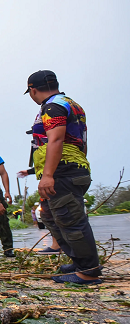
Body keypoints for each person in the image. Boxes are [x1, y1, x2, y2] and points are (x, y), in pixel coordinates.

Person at [25, 70, 102, 284]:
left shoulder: (53, 107)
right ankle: (80, 261)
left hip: (63, 170)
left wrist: (48, 174)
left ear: (33, 89)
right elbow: (82, 140)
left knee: (71, 220)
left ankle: (88, 271)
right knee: (50, 216)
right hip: (72, 167)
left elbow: (56, 140)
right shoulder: (72, 104)